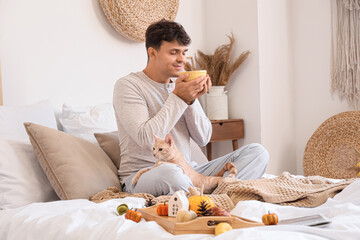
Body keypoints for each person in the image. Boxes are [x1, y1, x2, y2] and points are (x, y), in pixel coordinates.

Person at [113, 19, 268, 196]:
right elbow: (147, 139)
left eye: (184, 52)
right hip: (146, 175)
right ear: (152, 53)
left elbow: (204, 138)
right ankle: (216, 195)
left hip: (190, 171)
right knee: (171, 174)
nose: (182, 59)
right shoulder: (128, 86)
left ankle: (212, 199)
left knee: (257, 152)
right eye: (174, 52)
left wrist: (191, 101)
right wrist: (179, 98)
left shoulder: (182, 85)